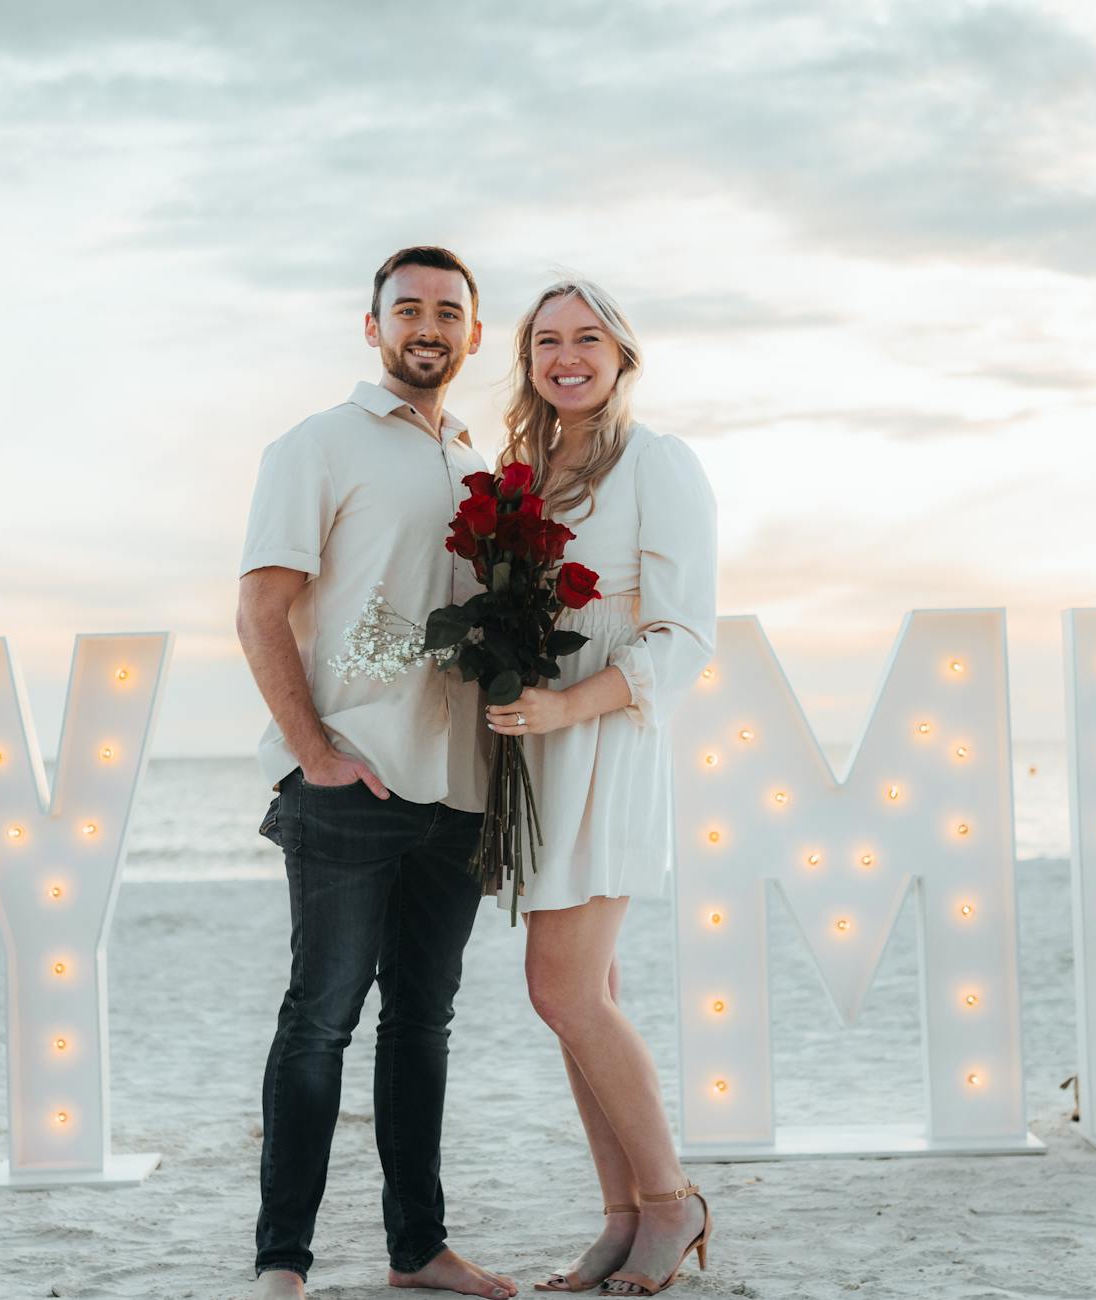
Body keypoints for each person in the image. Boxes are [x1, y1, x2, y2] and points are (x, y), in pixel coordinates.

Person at [236, 246, 517, 1300]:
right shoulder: (317, 444)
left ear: (473, 335)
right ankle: (281, 1263)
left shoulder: (476, 464)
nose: (427, 326)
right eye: (407, 309)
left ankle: (417, 1250)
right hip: (349, 788)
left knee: (422, 1025)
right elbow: (261, 609)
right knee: (320, 1017)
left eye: (448, 311)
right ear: (372, 328)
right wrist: (316, 752)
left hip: (456, 794)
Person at [482, 279, 718, 1296]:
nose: (565, 355)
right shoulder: (518, 469)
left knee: (561, 988)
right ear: (527, 358)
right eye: (545, 340)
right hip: (536, 743)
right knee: (589, 992)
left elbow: (685, 633)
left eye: (587, 339)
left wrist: (573, 710)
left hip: (606, 733)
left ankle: (671, 1200)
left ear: (622, 356)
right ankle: (621, 1216)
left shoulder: (657, 463)